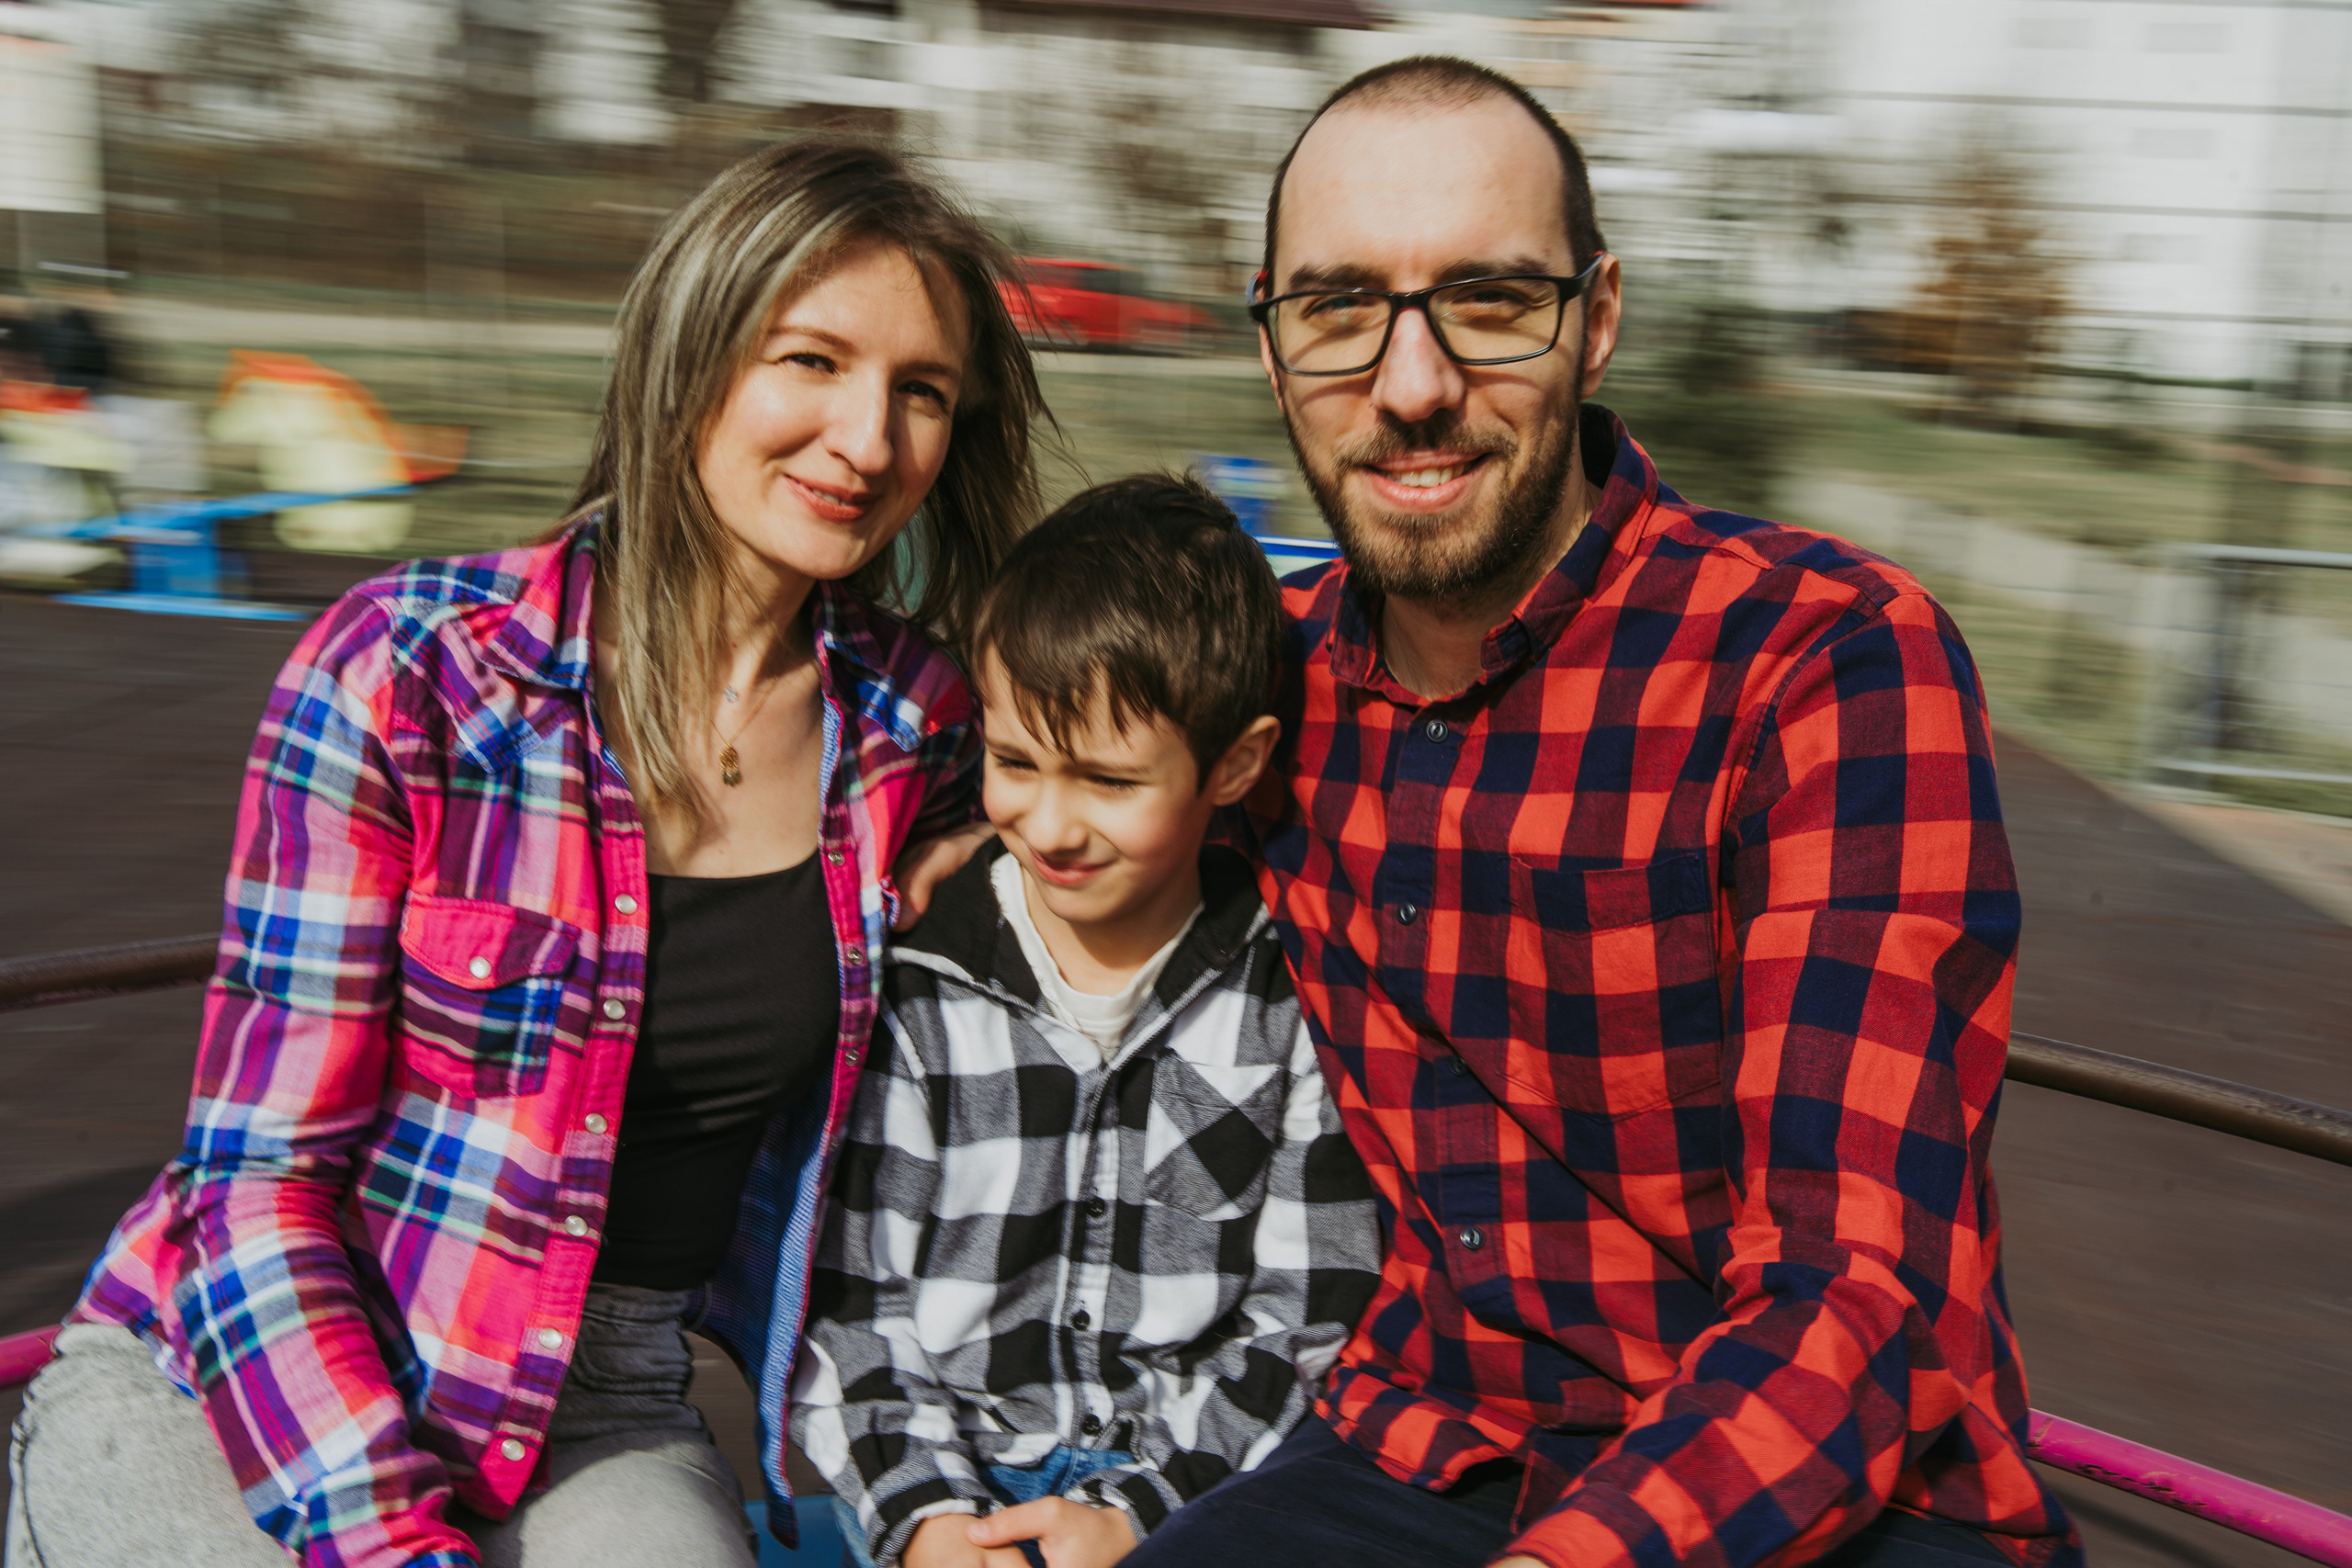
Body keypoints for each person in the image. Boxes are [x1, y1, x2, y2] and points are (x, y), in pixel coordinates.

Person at [5, 139, 1038, 1568]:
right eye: (811, 358)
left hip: (599, 1396)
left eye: (922, 391)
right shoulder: (411, 671)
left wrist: (1011, 825)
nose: (867, 439)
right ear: (692, 353)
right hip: (249, 1367)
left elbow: (1180, 741)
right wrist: (393, 1541)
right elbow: (256, 1187)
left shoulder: (916, 726)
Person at [1124, 58, 2084, 1568]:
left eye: (1491, 301)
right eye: (1338, 309)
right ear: (1274, 340)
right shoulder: (1267, 680)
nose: (1414, 382)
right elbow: (1012, 750)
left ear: (1600, 316)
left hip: (1825, 1492)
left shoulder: (1819, 662)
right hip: (1427, 1447)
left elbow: (1860, 1292)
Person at [790, 475, 1382, 1568]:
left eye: (1109, 781)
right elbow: (852, 1308)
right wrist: (928, 1527)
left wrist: (1142, 1513)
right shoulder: (923, 986)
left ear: (1235, 765)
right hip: (942, 1484)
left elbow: (1305, 1312)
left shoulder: (1282, 993)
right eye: (1015, 762)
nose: (1049, 823)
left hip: (1191, 1498)